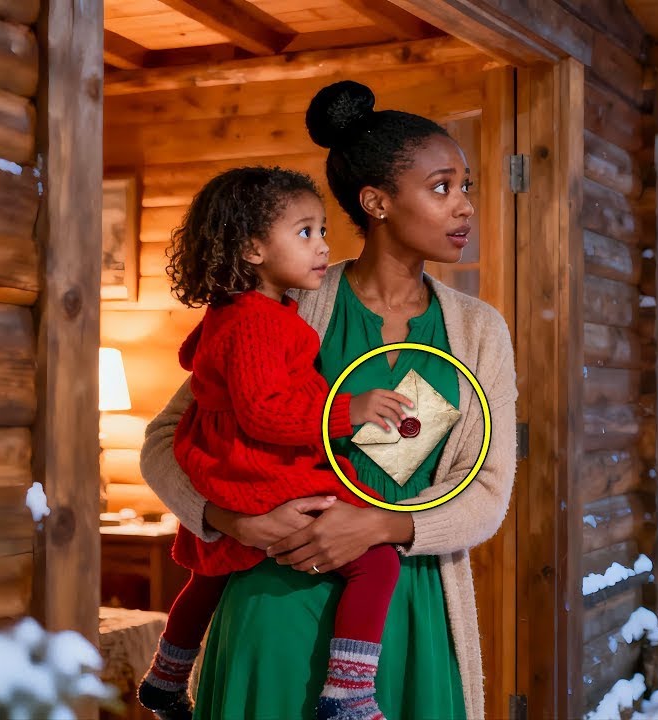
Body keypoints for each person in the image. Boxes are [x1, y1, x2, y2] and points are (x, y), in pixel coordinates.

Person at [140, 80, 517, 720]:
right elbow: (167, 440)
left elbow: (487, 491)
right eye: (442, 187)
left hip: (409, 607)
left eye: (467, 187)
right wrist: (229, 520)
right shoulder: (286, 307)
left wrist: (384, 526)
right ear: (376, 202)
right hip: (273, 603)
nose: (465, 207)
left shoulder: (480, 331)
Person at [136, 166, 417, 720]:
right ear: (253, 249)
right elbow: (265, 412)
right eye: (306, 232)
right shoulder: (261, 322)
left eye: (322, 231)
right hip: (258, 470)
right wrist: (349, 409)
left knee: (211, 571)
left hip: (226, 467)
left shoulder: (236, 313)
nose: (323, 247)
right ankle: (349, 693)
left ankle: (166, 676)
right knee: (378, 562)